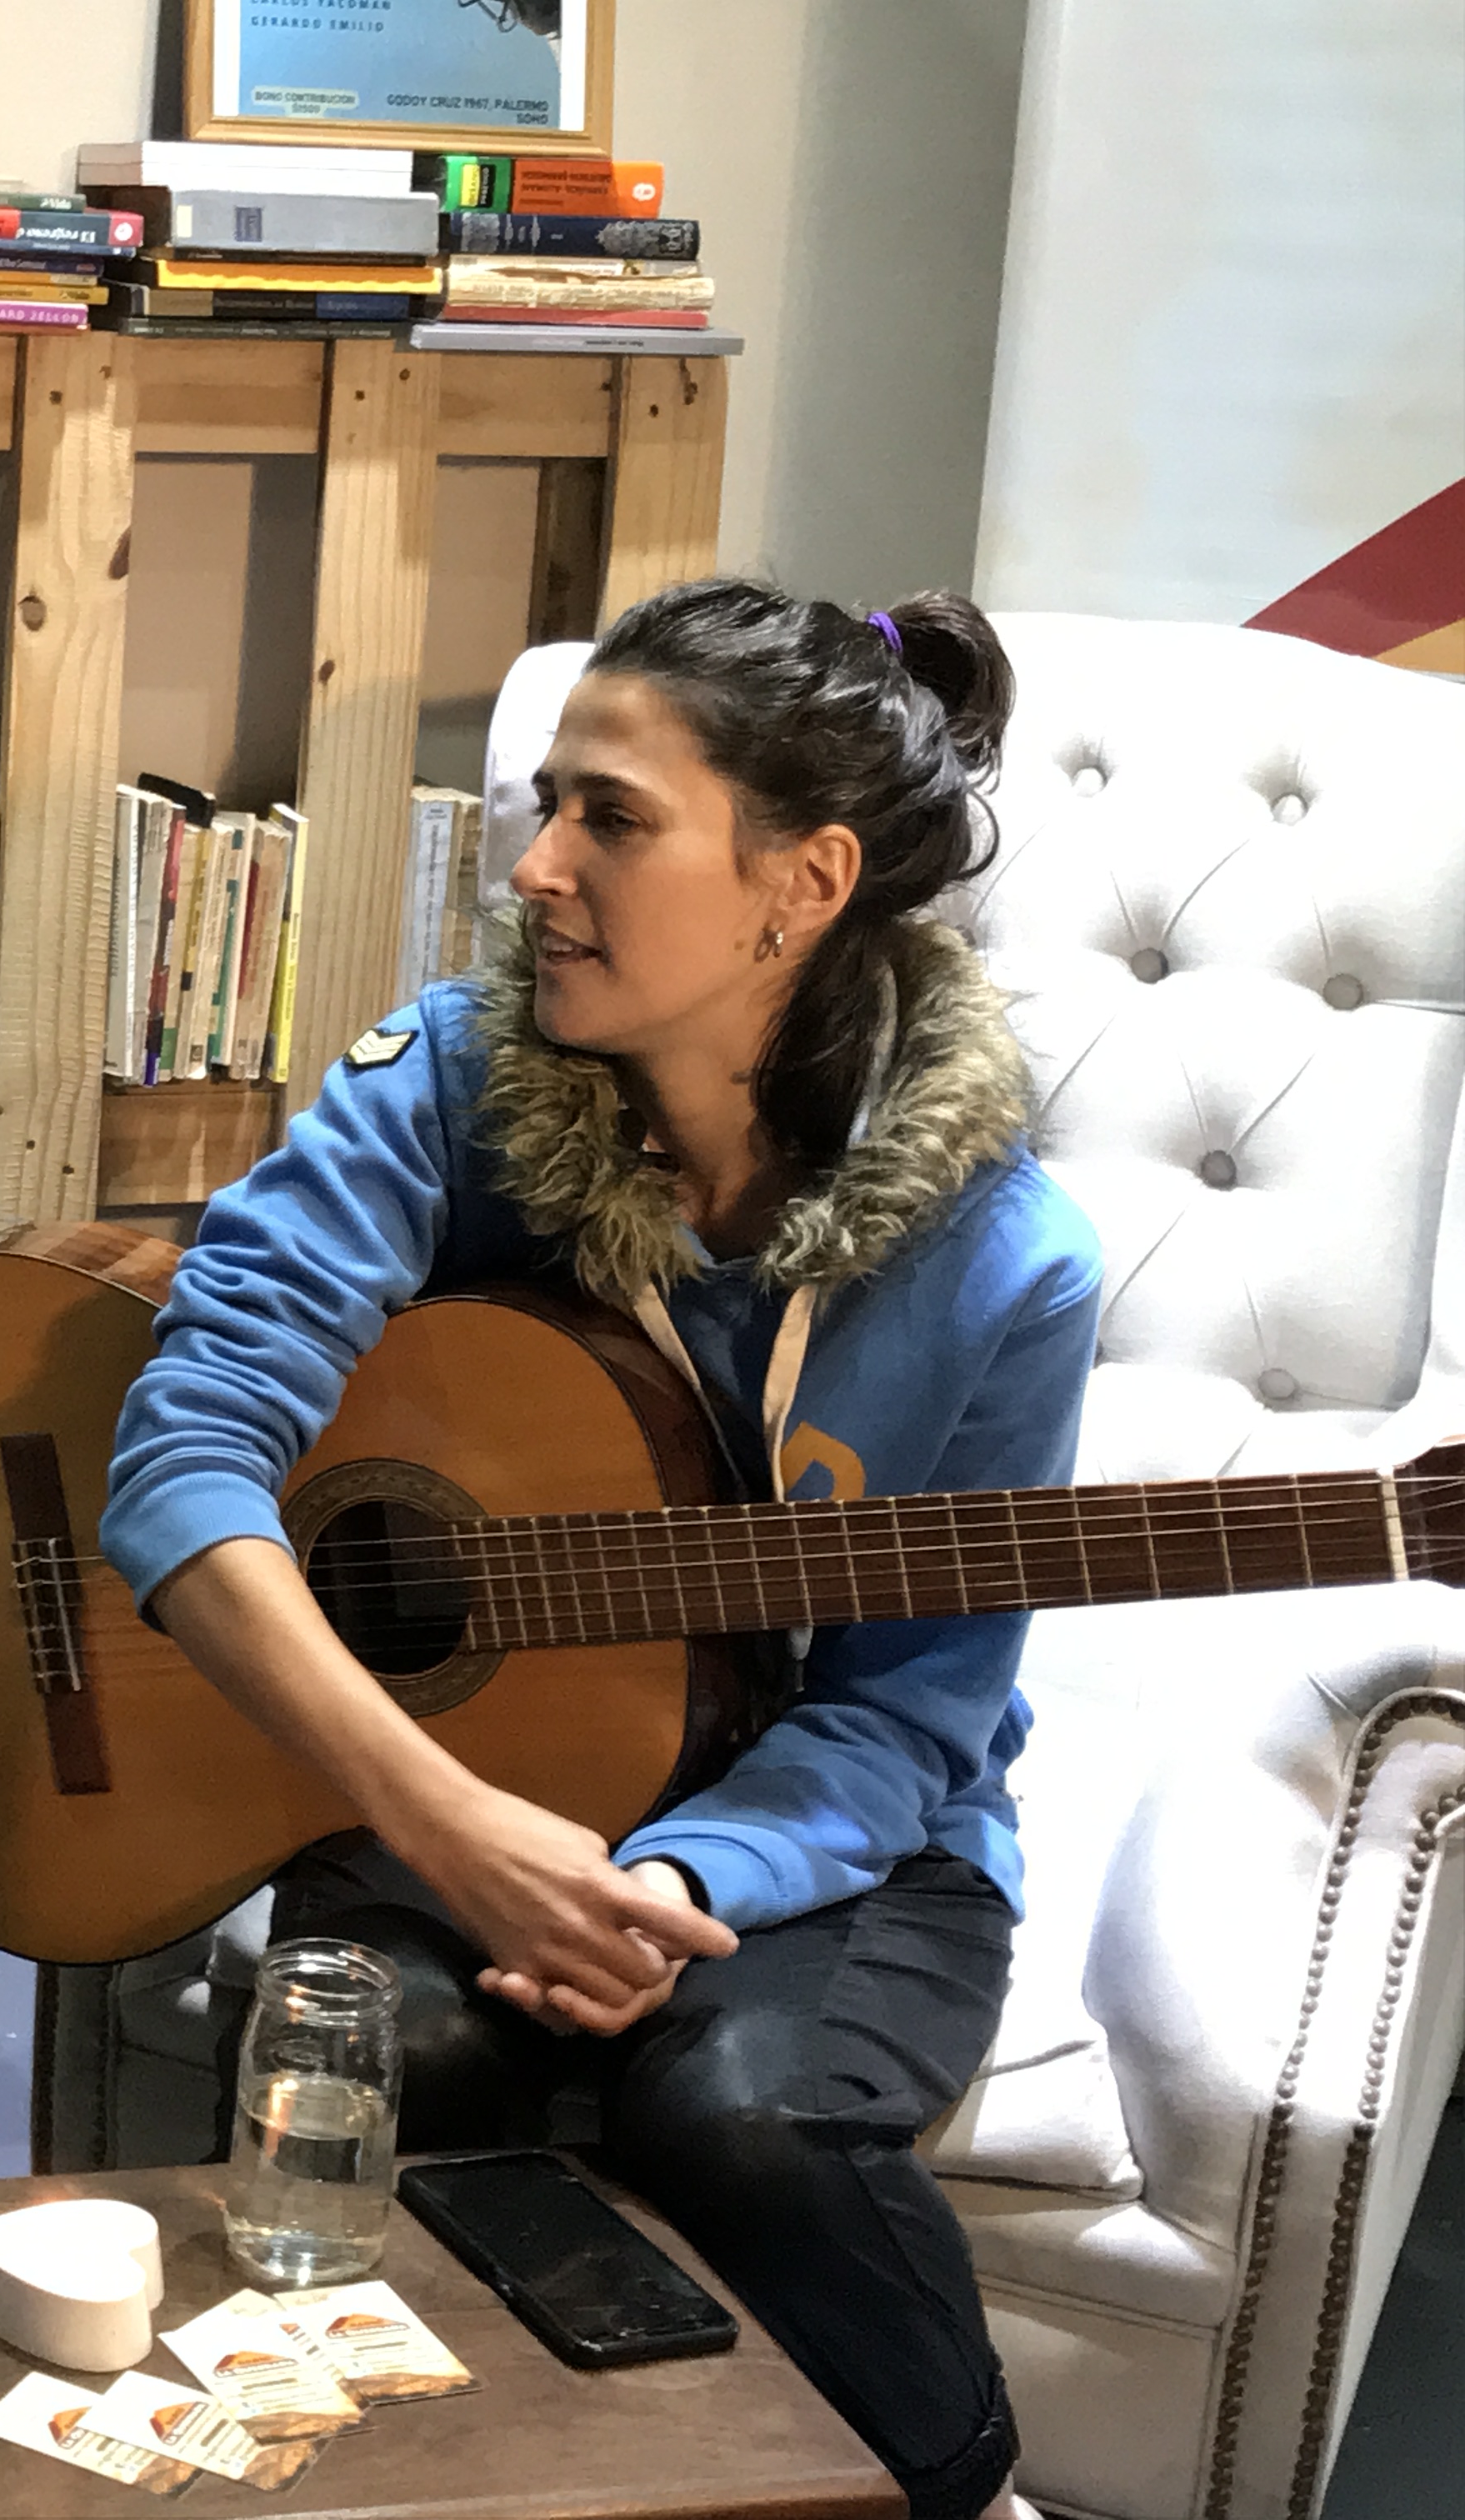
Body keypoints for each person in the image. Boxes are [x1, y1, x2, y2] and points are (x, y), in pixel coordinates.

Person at [99, 579, 1095, 2520]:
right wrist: (459, 1827)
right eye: (548, 804)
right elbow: (185, 1450)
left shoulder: (1005, 1263)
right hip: (451, 1780)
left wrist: (660, 1885)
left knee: (740, 2110)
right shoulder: (451, 1082)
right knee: (379, 2058)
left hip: (833, 1838)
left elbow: (909, 1721)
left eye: (611, 820)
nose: (537, 867)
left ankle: (964, 2486)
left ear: (801, 884)